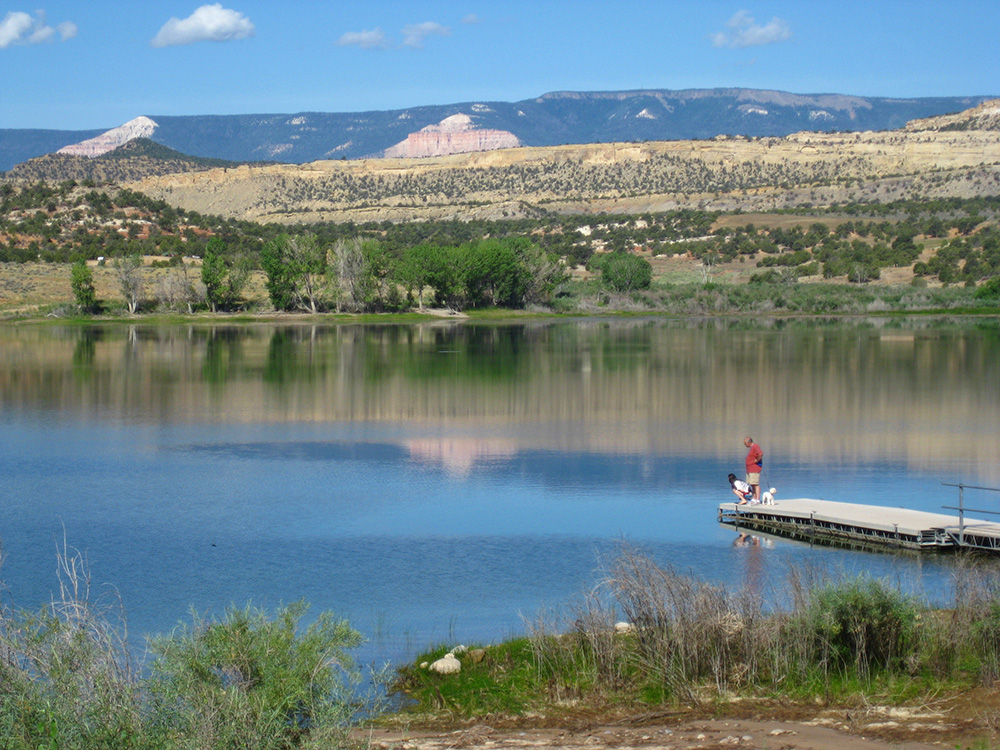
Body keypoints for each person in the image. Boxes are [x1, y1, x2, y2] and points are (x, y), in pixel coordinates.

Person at [743, 436, 764, 503]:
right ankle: (754, 498)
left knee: (756, 484)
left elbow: (760, 454)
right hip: (750, 469)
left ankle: (757, 499)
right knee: (752, 484)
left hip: (754, 469)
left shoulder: (755, 446)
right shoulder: (752, 448)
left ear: (748, 442)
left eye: (745, 443)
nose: (745, 445)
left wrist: (756, 461)